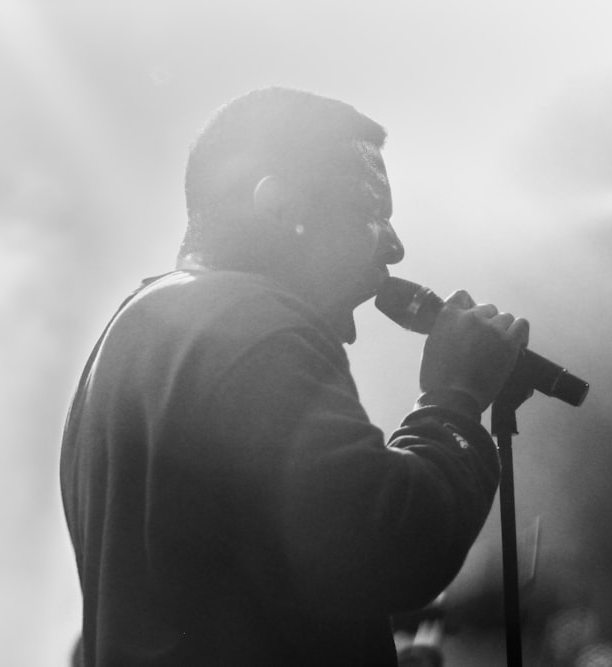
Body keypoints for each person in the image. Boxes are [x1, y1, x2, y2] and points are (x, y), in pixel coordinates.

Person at [60, 87, 529, 667]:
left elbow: (232, 595)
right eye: (372, 214)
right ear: (280, 206)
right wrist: (453, 398)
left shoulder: (140, 328)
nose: (396, 246)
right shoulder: (249, 324)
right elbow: (385, 547)